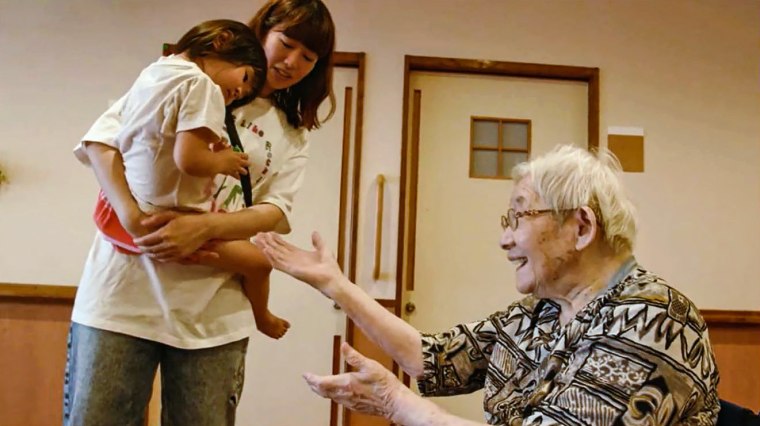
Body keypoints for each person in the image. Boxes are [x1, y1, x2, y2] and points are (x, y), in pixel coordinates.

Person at [255, 145, 721, 425]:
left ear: (580, 227)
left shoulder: (653, 319)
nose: (505, 238)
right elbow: (432, 358)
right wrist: (336, 285)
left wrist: (398, 403)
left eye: (520, 215)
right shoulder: (540, 312)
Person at [64, 1, 335, 425]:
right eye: (287, 44)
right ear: (261, 32)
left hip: (214, 313)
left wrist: (204, 226)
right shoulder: (177, 76)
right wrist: (134, 220)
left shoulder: (292, 131)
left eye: (309, 57)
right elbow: (101, 144)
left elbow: (274, 210)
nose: (292, 62)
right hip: (119, 295)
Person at [87, 18, 295, 341]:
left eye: (309, 58)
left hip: (121, 213)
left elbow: (119, 137)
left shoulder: (152, 73)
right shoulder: (204, 86)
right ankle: (263, 317)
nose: (239, 92)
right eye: (244, 78)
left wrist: (128, 213)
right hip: (172, 220)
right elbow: (189, 159)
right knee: (259, 264)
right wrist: (222, 161)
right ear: (222, 40)